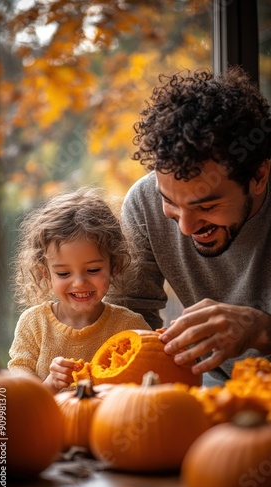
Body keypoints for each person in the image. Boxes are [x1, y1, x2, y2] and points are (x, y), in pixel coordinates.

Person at [108, 66, 271, 383]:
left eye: (206, 205)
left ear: (259, 177)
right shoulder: (144, 204)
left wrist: (261, 329)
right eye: (170, 202)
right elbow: (129, 318)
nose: (184, 227)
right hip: (213, 391)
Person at [8, 187, 151, 393]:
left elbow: (147, 390)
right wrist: (50, 385)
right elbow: (17, 400)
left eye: (92, 270)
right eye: (64, 274)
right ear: (45, 274)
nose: (79, 283)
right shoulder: (33, 325)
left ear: (115, 265)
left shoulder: (130, 327)